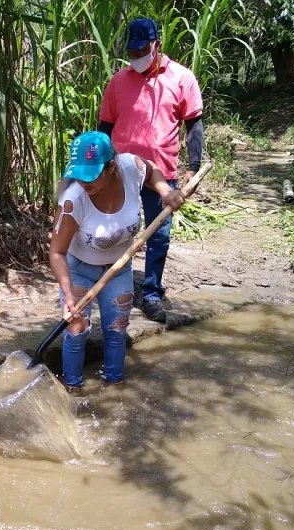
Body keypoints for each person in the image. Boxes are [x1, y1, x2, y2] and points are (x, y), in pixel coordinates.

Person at [50, 131, 184, 391]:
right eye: (78, 174)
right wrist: (67, 294)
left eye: (90, 175)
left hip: (119, 267)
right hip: (79, 270)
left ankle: (114, 387)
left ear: (111, 166)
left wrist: (165, 190)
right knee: (76, 329)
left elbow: (152, 170)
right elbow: (56, 253)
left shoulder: (129, 167)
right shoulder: (73, 200)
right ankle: (72, 389)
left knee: (117, 329)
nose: (82, 181)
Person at [98, 17, 203, 323]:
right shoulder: (118, 82)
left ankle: (152, 293)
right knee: (115, 229)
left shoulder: (182, 78)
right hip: (121, 172)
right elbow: (105, 127)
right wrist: (101, 167)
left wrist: (193, 167)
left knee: (158, 235)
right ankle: (112, 284)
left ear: (157, 44)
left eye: (141, 51)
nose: (136, 57)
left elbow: (193, 125)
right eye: (131, 52)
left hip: (162, 173)